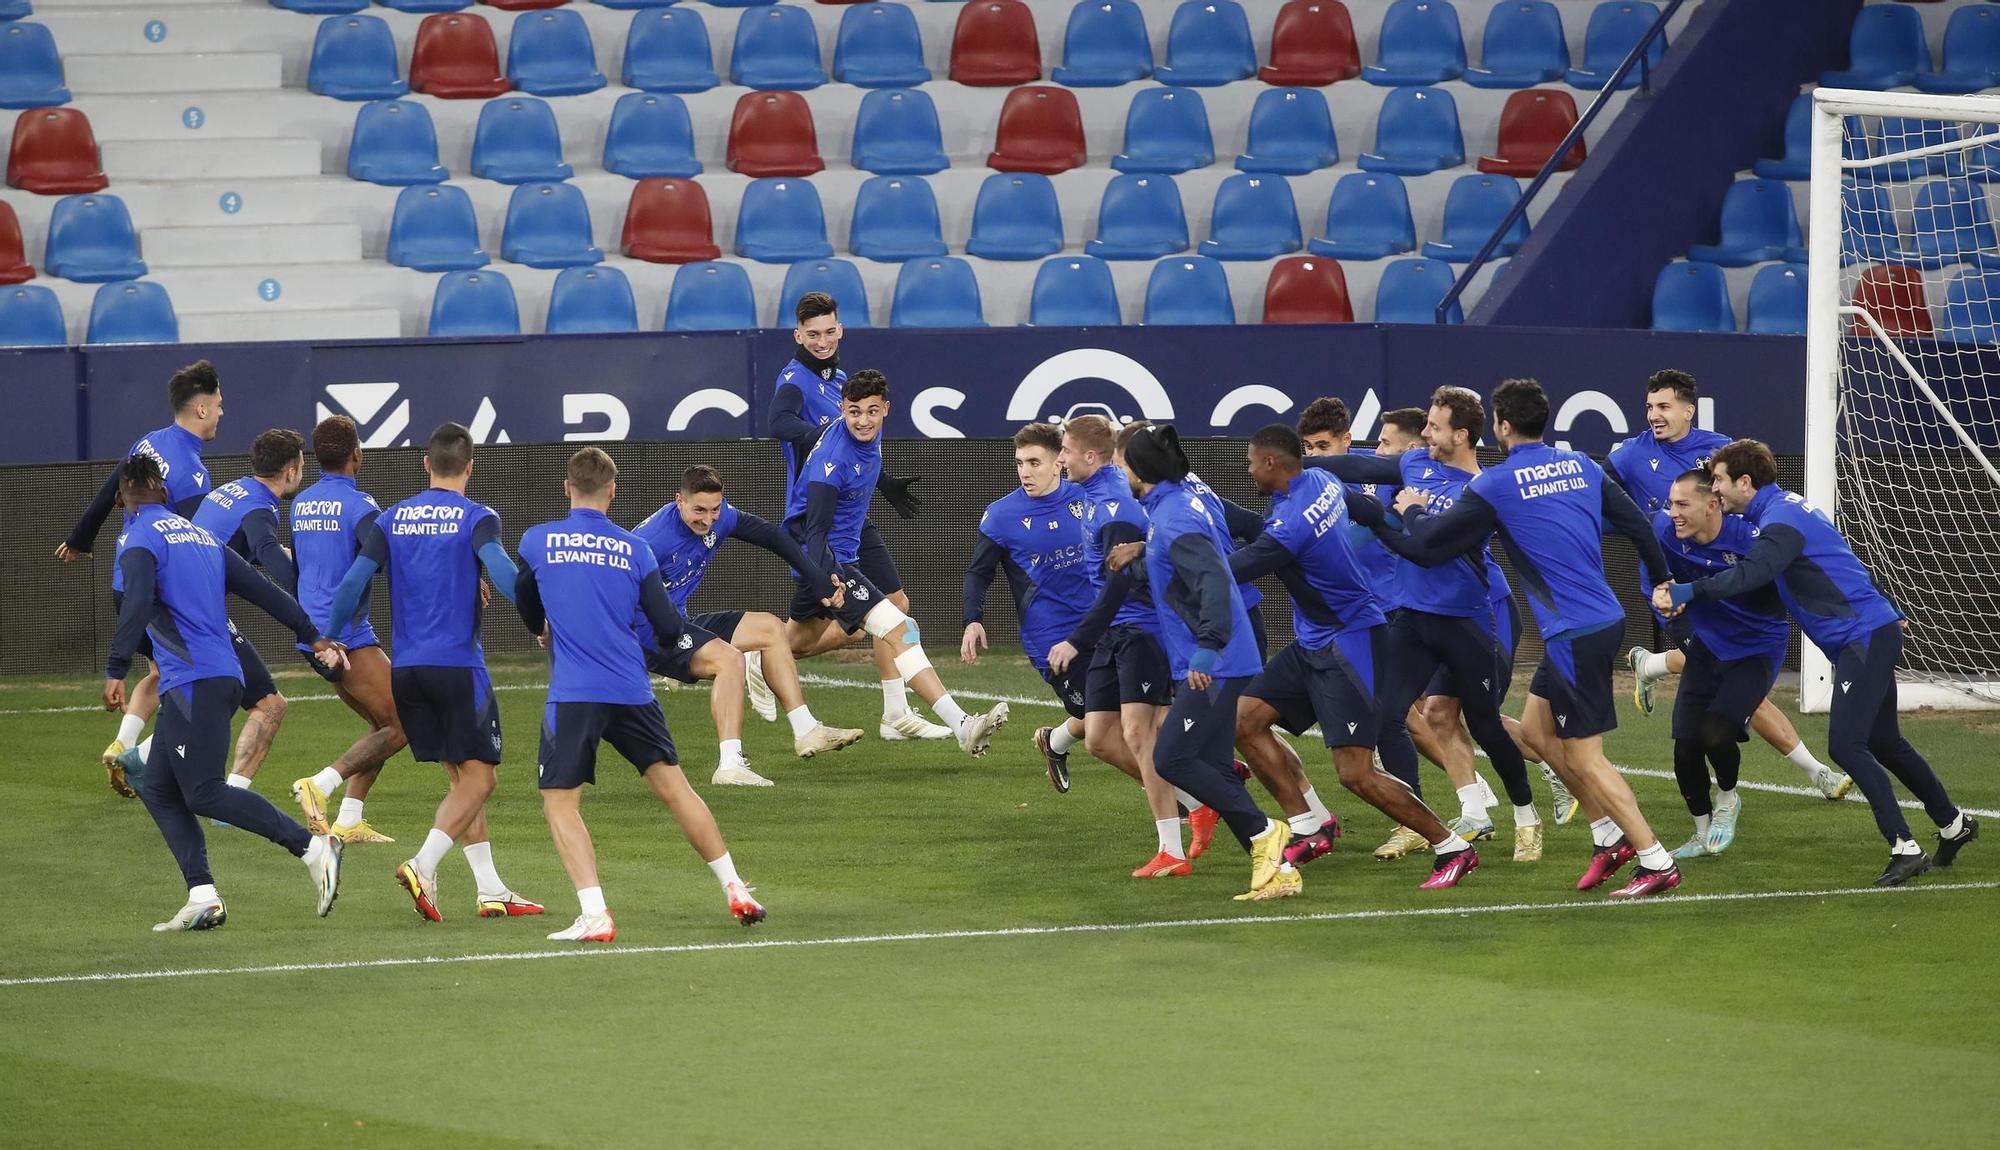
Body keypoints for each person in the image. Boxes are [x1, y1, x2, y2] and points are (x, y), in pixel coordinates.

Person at [1366, 378, 1683, 898]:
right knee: (1535, 733)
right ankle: (1608, 837)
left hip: (1575, 633)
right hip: (1598, 618)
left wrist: (1410, 509)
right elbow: (1637, 525)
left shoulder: (1496, 485)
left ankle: (1654, 859)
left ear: (1502, 426)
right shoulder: (1580, 463)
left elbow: (1426, 546)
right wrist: (1663, 581)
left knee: (1585, 758)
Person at [1658, 440, 1979, 885]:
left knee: (1846, 745)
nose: (1714, 489)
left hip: (1861, 639)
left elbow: (1752, 575)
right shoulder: (1786, 509)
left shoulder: (1779, 520)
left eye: (1718, 480)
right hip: (1868, 634)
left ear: (1744, 482)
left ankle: (1904, 847)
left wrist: (1687, 592)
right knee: (1885, 742)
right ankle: (1954, 824)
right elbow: (1840, 556)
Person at [515, 448, 767, 942]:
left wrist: (540, 628)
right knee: (676, 789)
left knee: (561, 803)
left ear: (567, 489)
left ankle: (594, 913)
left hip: (576, 693)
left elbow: (526, 595)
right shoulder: (636, 549)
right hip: (632, 688)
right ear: (613, 492)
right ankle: (735, 886)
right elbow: (670, 626)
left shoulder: (537, 540)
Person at [1225, 425, 1478, 890]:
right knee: (1244, 721)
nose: (1247, 469)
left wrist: (1159, 559)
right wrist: (1395, 533)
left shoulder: (1293, 521)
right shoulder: (1319, 484)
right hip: (1316, 641)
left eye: (1250, 462)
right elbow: (1365, 509)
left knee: (1356, 773)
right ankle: (1311, 825)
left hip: (1350, 643)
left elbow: (1235, 568)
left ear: (1271, 464)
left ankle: (1451, 846)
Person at [103, 454, 346, 931]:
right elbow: (265, 590)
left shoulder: (137, 536)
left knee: (204, 791)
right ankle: (203, 895)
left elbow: (133, 602)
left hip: (194, 679)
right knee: (156, 787)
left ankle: (314, 848)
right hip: (217, 674)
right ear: (164, 491)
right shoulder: (203, 537)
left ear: (123, 500)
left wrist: (116, 667)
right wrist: (313, 635)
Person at [1304, 389, 1547, 863]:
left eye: (1434, 427)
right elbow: (1359, 469)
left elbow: (1431, 548)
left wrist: (1403, 513)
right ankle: (1416, 821)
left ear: (1461, 434)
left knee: (1485, 727)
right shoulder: (1415, 465)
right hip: (1414, 620)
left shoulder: (1482, 491)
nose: (1425, 434)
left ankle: (1525, 816)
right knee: (1386, 716)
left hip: (1465, 623)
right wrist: (1299, 468)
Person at [325, 422, 542, 922]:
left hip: (407, 670)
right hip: (457, 668)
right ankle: (422, 865)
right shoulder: (477, 517)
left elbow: (355, 578)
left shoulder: (393, 517)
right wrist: (538, 620)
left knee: (461, 778)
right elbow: (505, 571)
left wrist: (331, 636)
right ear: (470, 466)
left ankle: (491, 889)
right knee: (481, 780)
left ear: (426, 464)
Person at [1611, 370, 1850, 800]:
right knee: (1736, 687)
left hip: (1720, 577)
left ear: (1689, 410)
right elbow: (1602, 498)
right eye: (1649, 407)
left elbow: (1749, 505)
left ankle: (1652, 666)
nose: (1653, 416)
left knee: (1734, 680)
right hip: (1675, 586)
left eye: (1663, 406)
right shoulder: (1630, 455)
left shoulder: (1720, 451)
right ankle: (1815, 773)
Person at [782, 370, 1011, 757]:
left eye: (872, 411)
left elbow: (864, 463)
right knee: (902, 628)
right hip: (826, 562)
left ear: (886, 409)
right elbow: (814, 529)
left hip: (837, 558)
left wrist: (885, 483)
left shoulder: (865, 436)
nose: (863, 420)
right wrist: (829, 577)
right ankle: (961, 725)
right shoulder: (832, 460)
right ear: (842, 409)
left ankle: (753, 656)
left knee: (791, 646)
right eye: (854, 412)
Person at [1119, 425, 1304, 901]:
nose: (1120, 475)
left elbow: (1215, 584)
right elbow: (1178, 565)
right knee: (1217, 768)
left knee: (1172, 757)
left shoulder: (1175, 516)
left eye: (1122, 467)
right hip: (1218, 656)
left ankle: (1266, 834)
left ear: (1139, 472)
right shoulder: (1174, 502)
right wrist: (1139, 560)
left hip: (1214, 662)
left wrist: (1206, 647)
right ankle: (1277, 872)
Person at [766, 292, 940, 741]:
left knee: (895, 607)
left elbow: (857, 451)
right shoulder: (795, 379)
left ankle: (895, 715)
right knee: (825, 634)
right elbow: (778, 421)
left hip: (854, 516)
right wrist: (825, 431)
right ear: (798, 335)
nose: (821, 341)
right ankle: (756, 654)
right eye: (812, 334)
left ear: (840, 330)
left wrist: (886, 484)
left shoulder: (842, 379)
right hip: (818, 518)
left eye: (828, 331)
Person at [631, 463, 865, 787]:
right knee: (729, 660)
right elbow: (600, 590)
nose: (708, 519)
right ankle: (729, 765)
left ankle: (807, 730)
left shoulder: (720, 517)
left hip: (678, 620)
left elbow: (772, 536)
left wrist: (819, 580)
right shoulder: (649, 541)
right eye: (699, 509)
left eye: (714, 509)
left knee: (770, 628)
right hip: (647, 633)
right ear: (679, 501)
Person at [59, 360, 222, 796]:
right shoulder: (191, 474)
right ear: (202, 409)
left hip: (123, 580)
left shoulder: (148, 442)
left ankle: (123, 744)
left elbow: (109, 489)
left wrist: (81, 538)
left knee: (158, 672)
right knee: (197, 684)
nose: (223, 413)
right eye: (219, 405)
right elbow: (191, 545)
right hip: (157, 591)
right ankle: (141, 760)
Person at [1046, 415, 1198, 876]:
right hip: (1117, 633)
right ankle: (1198, 799)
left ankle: (1172, 848)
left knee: (1138, 734)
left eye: (1065, 452)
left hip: (1140, 630)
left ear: (1090, 457)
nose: (1061, 461)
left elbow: (1120, 585)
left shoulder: (1113, 505)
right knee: (1097, 738)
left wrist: (1076, 640)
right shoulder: (1097, 493)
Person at [1652, 469, 1791, 859]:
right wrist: (1664, 603)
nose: (1673, 513)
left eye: (1682, 504)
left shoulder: (1750, 537)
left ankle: (1728, 799)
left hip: (1755, 649)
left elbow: (1798, 574)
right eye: (1670, 504)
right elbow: (1658, 581)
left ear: (1712, 504)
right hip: (1706, 647)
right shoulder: (1666, 533)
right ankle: (1700, 832)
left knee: (1715, 733)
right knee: (1684, 750)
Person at [169, 429, 305, 804]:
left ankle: (139, 756)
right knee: (270, 704)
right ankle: (229, 800)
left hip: (175, 605)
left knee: (211, 699)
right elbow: (265, 550)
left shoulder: (233, 490)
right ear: (291, 469)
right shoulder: (261, 506)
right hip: (199, 613)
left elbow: (239, 548)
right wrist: (305, 597)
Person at [288, 415, 405, 845]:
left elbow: (299, 569)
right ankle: (320, 784)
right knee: (403, 721)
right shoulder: (360, 506)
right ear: (356, 453)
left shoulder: (301, 503)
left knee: (382, 725)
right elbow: (383, 558)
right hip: (345, 638)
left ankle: (350, 820)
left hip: (312, 633)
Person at [961, 423, 1096, 793]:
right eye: (1020, 462)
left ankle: (1054, 743)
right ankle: (1179, 794)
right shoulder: (1001, 516)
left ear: (1059, 463)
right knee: (1103, 719)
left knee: (1129, 709)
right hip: (1050, 640)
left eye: (1034, 462)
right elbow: (977, 573)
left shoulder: (1086, 498)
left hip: (1102, 626)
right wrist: (973, 621)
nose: (1025, 471)